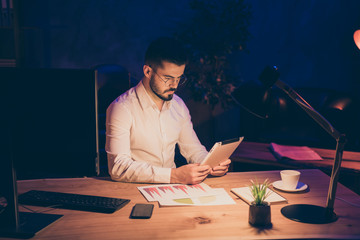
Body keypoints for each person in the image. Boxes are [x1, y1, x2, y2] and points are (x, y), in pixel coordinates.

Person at [105, 37, 231, 184]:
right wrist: (174, 175)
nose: (174, 85)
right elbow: (118, 168)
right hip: (134, 189)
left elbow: (193, 149)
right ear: (147, 71)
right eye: (168, 78)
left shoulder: (178, 105)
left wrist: (210, 164)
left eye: (179, 78)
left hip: (172, 190)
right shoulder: (122, 108)